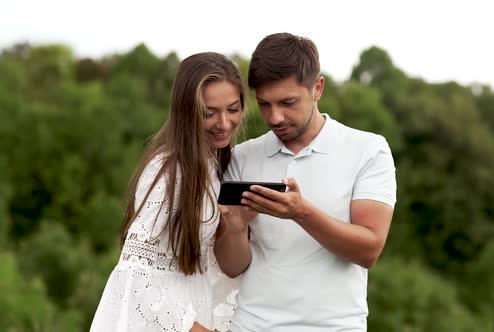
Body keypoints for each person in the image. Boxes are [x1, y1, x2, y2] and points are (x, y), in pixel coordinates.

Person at [215, 33, 397, 331]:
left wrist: (301, 213)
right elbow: (232, 267)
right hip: (251, 325)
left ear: (318, 88)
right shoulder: (242, 157)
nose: (275, 117)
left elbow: (369, 250)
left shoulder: (368, 150)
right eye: (264, 104)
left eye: (288, 102)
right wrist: (235, 230)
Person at [90, 52, 249, 332]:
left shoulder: (213, 165)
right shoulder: (168, 170)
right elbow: (136, 272)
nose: (224, 123)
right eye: (209, 113)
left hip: (196, 309)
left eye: (233, 109)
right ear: (187, 112)